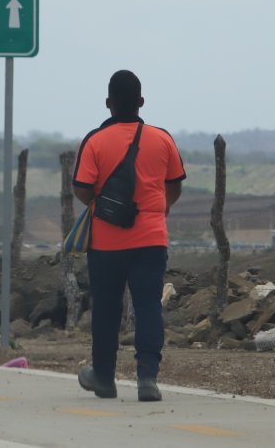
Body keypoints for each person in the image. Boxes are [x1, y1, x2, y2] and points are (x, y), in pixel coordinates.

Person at [72, 69, 186, 401]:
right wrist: (160, 210)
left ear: (108, 103)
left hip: (106, 242)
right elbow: (174, 183)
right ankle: (147, 379)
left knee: (106, 309)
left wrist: (101, 206)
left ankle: (104, 379)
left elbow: (81, 188)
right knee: (149, 305)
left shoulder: (95, 140)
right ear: (141, 102)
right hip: (151, 239)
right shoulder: (161, 138)